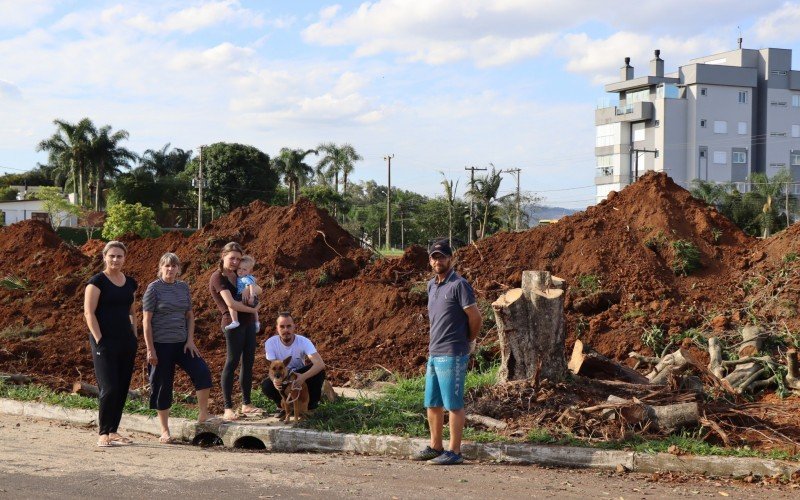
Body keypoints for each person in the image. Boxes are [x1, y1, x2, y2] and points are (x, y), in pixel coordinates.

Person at [412, 238, 482, 465]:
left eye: (442, 256)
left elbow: (475, 317)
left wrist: (468, 341)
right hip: (434, 351)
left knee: (453, 404)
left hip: (453, 353)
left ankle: (454, 451)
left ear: (450, 258)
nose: (437, 260)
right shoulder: (432, 285)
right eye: (434, 257)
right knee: (432, 403)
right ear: (430, 260)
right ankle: (435, 446)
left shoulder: (459, 285)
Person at [142, 253, 212, 443]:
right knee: (163, 386)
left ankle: (203, 414)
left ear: (178, 269)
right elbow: (146, 321)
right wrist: (150, 349)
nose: (170, 270)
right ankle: (164, 430)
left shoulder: (183, 288)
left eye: (174, 266)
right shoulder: (153, 289)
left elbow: (189, 315)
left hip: (182, 344)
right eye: (167, 266)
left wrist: (190, 340)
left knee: (202, 372)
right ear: (161, 268)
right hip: (161, 345)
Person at [83, 240, 138, 448]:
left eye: (119, 256)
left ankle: (114, 430)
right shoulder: (96, 282)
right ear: (104, 257)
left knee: (122, 386)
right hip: (104, 341)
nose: (115, 259)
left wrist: (133, 335)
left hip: (126, 341)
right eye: (112, 256)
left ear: (125, 258)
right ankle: (103, 432)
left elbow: (132, 311)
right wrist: (99, 340)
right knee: (109, 386)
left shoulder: (130, 282)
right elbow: (89, 313)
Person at [209, 242, 262, 421]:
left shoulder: (239, 275)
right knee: (232, 362)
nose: (235, 262)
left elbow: (258, 289)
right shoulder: (218, 277)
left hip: (247, 323)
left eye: (238, 259)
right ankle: (227, 407)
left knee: (248, 362)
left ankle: (246, 404)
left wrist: (253, 289)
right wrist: (255, 310)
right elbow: (231, 304)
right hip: (232, 323)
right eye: (232, 258)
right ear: (223, 256)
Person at [261, 312, 326, 414]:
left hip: (299, 376)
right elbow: (272, 367)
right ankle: (283, 406)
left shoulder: (303, 341)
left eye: (289, 326)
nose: (286, 330)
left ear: (294, 327)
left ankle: (311, 406)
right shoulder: (271, 343)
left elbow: (320, 363)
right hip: (283, 376)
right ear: (277, 328)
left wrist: (303, 376)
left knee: (319, 371)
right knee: (266, 385)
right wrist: (274, 380)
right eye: (282, 327)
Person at [225, 254, 260, 332]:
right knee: (254, 308)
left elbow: (251, 285)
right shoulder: (245, 277)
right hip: (248, 296)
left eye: (244, 269)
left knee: (232, 306)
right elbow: (254, 281)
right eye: (239, 268)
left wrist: (251, 296)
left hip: (244, 296)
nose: (241, 271)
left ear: (249, 271)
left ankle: (235, 321)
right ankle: (257, 322)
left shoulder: (245, 278)